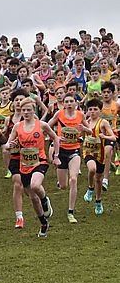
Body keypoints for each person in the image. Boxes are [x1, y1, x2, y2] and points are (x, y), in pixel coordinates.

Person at [5, 97, 58, 238]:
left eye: (29, 110)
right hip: (24, 165)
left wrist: (56, 156)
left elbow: (55, 138)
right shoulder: (18, 126)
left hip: (40, 161)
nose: (26, 112)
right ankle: (43, 223)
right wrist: (9, 145)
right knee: (33, 198)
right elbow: (8, 144)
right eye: (24, 110)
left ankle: (45, 200)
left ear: (34, 111)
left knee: (35, 185)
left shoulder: (42, 125)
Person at [46, 94, 84, 223]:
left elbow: (88, 129)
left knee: (73, 179)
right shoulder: (59, 114)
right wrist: (55, 137)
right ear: (63, 103)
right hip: (61, 151)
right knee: (63, 186)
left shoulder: (80, 115)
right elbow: (46, 127)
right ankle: (60, 182)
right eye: (66, 101)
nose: (69, 103)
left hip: (74, 151)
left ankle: (71, 212)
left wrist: (83, 131)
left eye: (71, 101)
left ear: (75, 103)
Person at [81, 98, 115, 215]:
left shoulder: (103, 122)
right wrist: (81, 132)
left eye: (95, 109)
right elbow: (80, 136)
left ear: (100, 111)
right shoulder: (86, 121)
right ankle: (90, 189)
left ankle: (98, 201)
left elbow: (113, 137)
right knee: (92, 169)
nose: (92, 112)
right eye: (90, 109)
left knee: (99, 180)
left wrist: (104, 137)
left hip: (100, 154)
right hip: (88, 152)